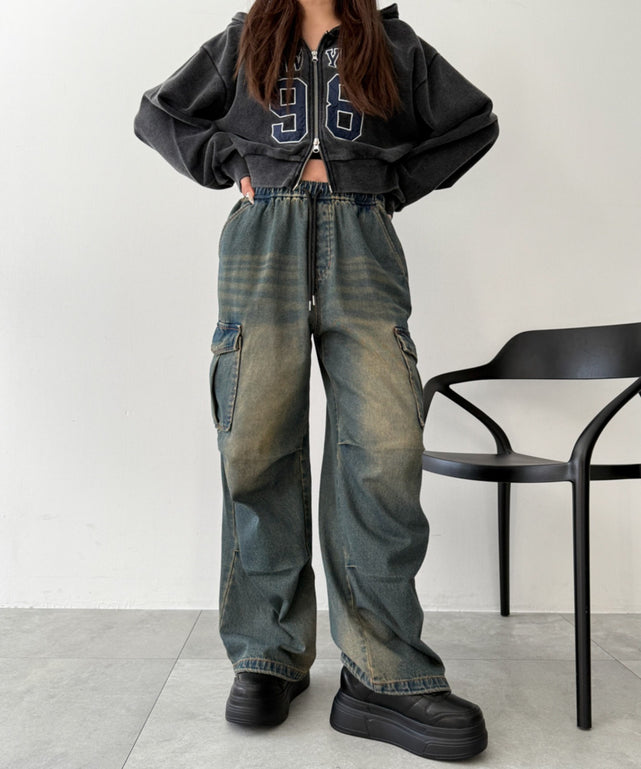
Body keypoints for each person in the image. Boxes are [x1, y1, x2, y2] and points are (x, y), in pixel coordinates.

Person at [133, 0, 499, 760]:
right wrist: (232, 164)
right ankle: (267, 654)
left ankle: (382, 672)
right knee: (254, 444)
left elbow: (474, 123)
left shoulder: (392, 43)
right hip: (261, 235)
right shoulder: (244, 38)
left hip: (363, 237)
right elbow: (158, 115)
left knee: (386, 447)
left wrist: (389, 182)